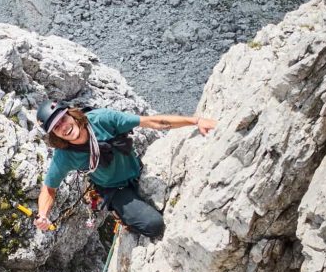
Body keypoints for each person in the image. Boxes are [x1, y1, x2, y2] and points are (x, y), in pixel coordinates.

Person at [34, 101, 216, 238]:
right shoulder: (64, 155)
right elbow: (49, 188)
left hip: (135, 170)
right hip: (115, 189)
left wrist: (196, 121)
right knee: (154, 226)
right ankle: (125, 219)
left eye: (63, 119)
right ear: (54, 135)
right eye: (56, 127)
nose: (64, 127)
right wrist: (42, 215)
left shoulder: (102, 120)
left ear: (72, 114)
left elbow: (152, 122)